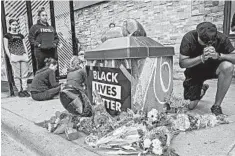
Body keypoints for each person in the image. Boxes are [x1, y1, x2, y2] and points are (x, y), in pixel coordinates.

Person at [179, 22, 235, 116]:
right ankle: (202, 89)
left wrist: (219, 56)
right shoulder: (188, 38)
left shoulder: (222, 38)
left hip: (214, 69)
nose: (206, 44)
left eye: (209, 42)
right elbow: (182, 63)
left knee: (228, 66)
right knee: (190, 106)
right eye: (203, 42)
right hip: (194, 72)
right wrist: (202, 58)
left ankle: (216, 106)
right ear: (197, 34)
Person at [3, 19, 30, 97]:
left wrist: (27, 54)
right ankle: (19, 90)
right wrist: (10, 57)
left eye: (16, 25)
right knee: (17, 74)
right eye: (13, 24)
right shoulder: (7, 36)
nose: (15, 26)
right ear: (10, 25)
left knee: (24, 74)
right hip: (14, 56)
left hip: (23, 55)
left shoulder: (20, 35)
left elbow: (24, 45)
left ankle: (25, 89)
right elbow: (6, 47)